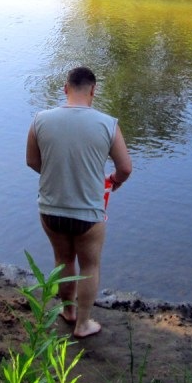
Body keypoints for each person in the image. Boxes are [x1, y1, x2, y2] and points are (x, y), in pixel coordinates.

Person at [26, 66, 132, 339]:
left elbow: (32, 161)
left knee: (63, 259)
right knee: (89, 266)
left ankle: (68, 311)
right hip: (88, 213)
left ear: (65, 88)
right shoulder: (108, 124)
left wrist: (58, 175)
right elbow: (125, 168)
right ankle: (83, 324)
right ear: (93, 91)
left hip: (51, 209)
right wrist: (114, 180)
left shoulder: (40, 120)